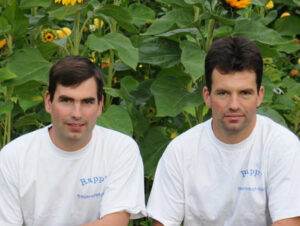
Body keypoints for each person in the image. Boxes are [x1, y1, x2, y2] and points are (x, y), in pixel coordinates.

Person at [147, 37, 300, 226]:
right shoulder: (181, 151)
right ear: (207, 96)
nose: (234, 105)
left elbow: (289, 222)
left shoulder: (282, 146)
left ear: (260, 96)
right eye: (223, 93)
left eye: (245, 93)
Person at [0, 56, 146, 226]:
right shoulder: (13, 157)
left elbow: (115, 221)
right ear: (48, 102)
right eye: (67, 100)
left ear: (100, 105)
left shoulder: (120, 149)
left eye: (87, 102)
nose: (77, 113)